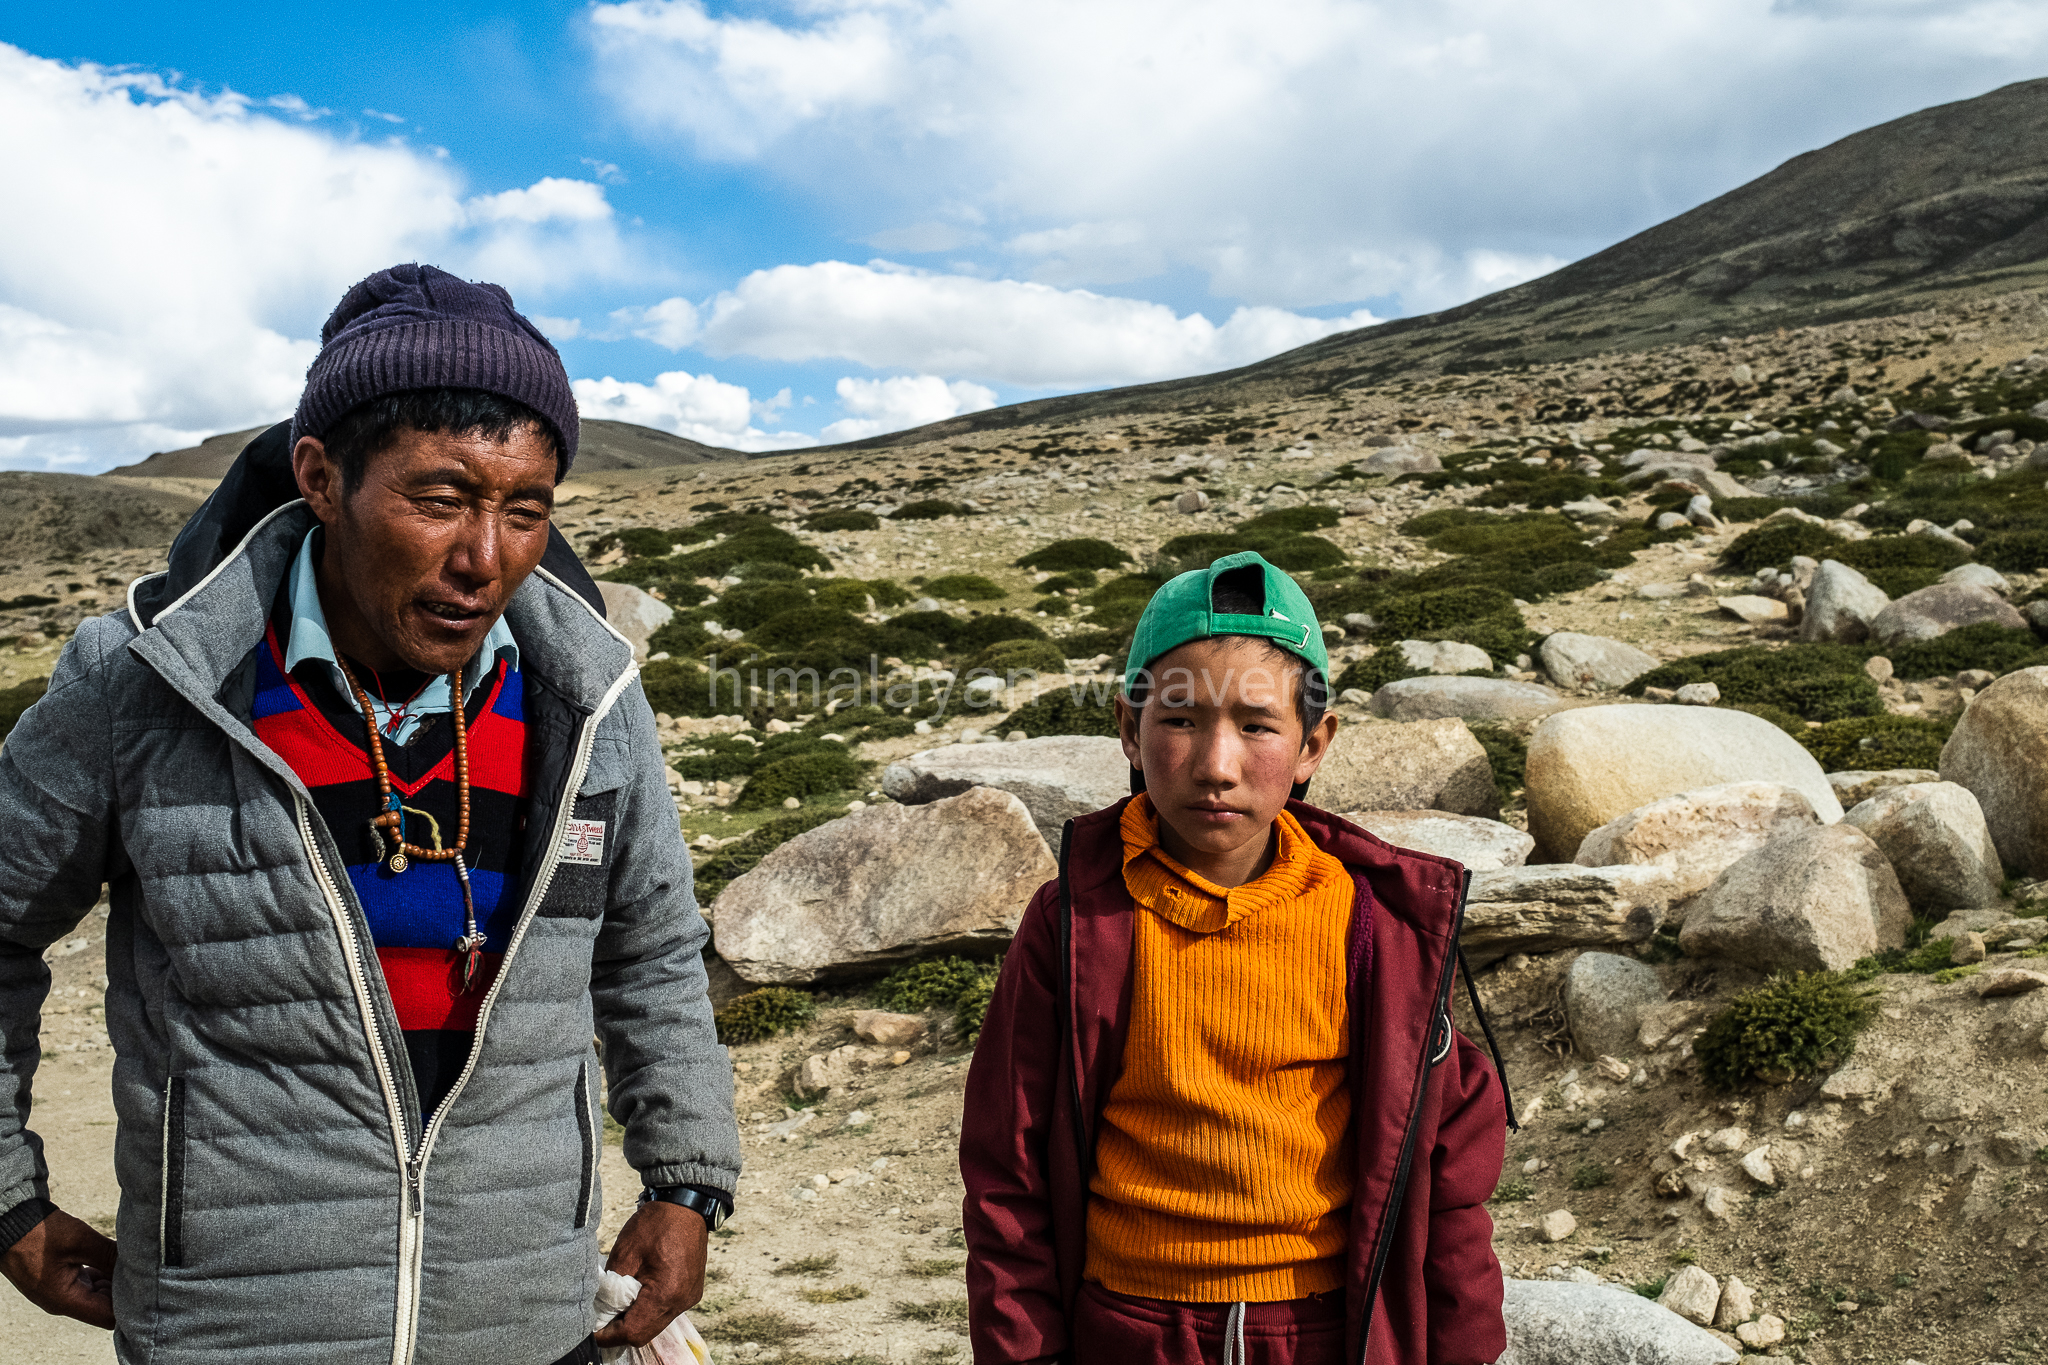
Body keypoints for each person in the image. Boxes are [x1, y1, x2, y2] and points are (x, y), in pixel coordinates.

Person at [0, 264, 739, 1364]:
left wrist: (687, 1180)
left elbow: (651, 952)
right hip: (233, 1332)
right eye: (439, 499)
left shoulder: (586, 698)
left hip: (522, 1322)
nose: (484, 559)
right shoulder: (146, 683)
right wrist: (8, 1201)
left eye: (526, 511)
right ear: (320, 477)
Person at [959, 551, 1512, 1365]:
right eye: (1180, 720)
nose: (1217, 764)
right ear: (1129, 729)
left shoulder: (1377, 927)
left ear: (1314, 742)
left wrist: (1466, 1350)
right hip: (1128, 1331)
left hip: (1323, 1333)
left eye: (1257, 725)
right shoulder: (1077, 923)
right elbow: (1007, 1172)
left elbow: (1449, 1174)